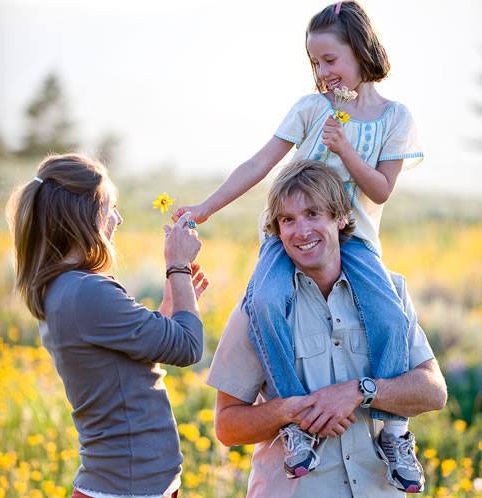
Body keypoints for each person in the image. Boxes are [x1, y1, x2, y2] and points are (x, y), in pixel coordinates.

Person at [175, 1, 426, 491]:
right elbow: (259, 164)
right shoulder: (312, 108)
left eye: (330, 60)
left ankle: (395, 430)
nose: (322, 72)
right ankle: (296, 425)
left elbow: (381, 190)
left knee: (388, 313)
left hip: (351, 237)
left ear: (361, 50)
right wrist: (205, 208)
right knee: (266, 300)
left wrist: (345, 149)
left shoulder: (396, 117)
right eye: (314, 63)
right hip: (287, 234)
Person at [207, 160, 447, 498]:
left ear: (341, 217)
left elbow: (434, 392)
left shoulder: (388, 297)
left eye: (313, 214)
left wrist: (360, 390)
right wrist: (294, 410)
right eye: (287, 220)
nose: (301, 231)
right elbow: (227, 426)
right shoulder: (259, 310)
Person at [6, 153, 208, 498]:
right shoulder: (86, 291)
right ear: (85, 216)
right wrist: (178, 266)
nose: (118, 218)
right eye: (110, 207)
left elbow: (127, 365)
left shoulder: (71, 288)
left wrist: (169, 307)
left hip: (136, 485)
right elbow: (189, 347)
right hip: (126, 488)